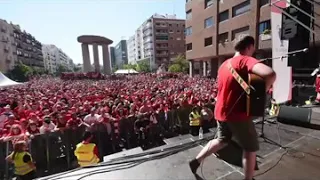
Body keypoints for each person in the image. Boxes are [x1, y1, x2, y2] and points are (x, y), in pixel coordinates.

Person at [189, 36, 276, 180]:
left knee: (222, 139)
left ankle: (196, 161)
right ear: (249, 47)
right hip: (237, 114)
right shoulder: (245, 60)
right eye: (253, 49)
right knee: (250, 147)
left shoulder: (224, 64)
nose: (253, 52)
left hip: (221, 110)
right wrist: (262, 92)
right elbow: (270, 74)